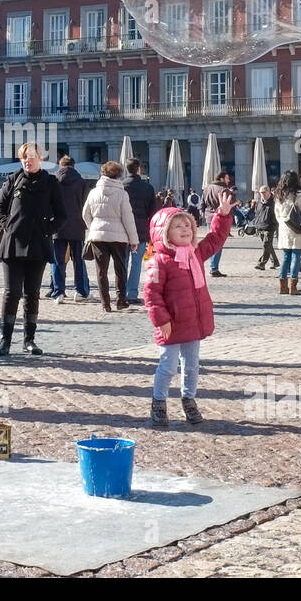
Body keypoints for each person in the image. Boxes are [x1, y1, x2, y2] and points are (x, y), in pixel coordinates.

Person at [143, 200, 234, 428]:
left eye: (188, 225)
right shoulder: (159, 261)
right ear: (164, 233)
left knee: (192, 365)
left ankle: (189, 400)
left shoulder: (194, 253)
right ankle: (159, 402)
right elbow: (151, 294)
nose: (185, 229)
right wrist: (161, 320)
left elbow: (215, 239)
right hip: (171, 324)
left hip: (192, 323)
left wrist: (221, 216)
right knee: (168, 366)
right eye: (178, 226)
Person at [0, 142, 64, 357]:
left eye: (32, 156)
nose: (28, 160)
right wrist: (8, 226)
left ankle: (29, 340)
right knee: (11, 293)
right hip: (13, 244)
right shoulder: (13, 180)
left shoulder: (50, 182)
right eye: (24, 157)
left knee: (32, 294)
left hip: (38, 246)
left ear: (40, 158)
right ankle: (5, 340)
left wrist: (47, 230)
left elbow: (62, 215)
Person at [82, 160, 139, 312]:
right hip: (119, 238)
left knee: (101, 271)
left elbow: (85, 214)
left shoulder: (93, 192)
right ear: (119, 175)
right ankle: (121, 300)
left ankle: (105, 303)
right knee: (120, 269)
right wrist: (134, 240)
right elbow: (128, 218)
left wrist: (93, 227)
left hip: (98, 237)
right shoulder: (122, 194)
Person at [51, 156, 90, 303]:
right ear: (74, 166)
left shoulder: (53, 182)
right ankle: (80, 291)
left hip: (57, 227)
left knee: (57, 261)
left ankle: (58, 292)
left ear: (59, 166)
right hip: (77, 226)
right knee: (78, 260)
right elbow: (86, 206)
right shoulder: (81, 182)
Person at [273, 171, 301, 295]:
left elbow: (277, 214)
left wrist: (283, 223)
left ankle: (282, 286)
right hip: (297, 229)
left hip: (284, 228)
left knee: (286, 257)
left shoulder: (278, 195)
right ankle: (293, 287)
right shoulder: (297, 195)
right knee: (296, 256)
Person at [123, 158, 160, 304]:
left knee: (122, 262)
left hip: (123, 230)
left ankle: (121, 291)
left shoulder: (121, 186)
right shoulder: (148, 188)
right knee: (137, 263)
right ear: (139, 169)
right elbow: (153, 213)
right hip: (141, 231)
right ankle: (132, 294)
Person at [202, 173, 232, 277]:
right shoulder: (224, 190)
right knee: (218, 243)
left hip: (209, 217)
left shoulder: (207, 188)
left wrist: (205, 214)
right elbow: (229, 207)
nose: (229, 180)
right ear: (222, 178)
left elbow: (202, 204)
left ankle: (212, 266)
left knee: (210, 241)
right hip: (220, 219)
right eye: (227, 178)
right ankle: (214, 268)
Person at [249, 185, 276, 270]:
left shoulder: (273, 202)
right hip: (260, 226)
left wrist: (275, 226)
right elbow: (257, 214)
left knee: (266, 245)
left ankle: (261, 263)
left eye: (264, 192)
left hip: (270, 227)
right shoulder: (259, 203)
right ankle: (275, 261)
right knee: (269, 246)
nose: (262, 194)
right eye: (261, 193)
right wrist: (256, 225)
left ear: (269, 192)